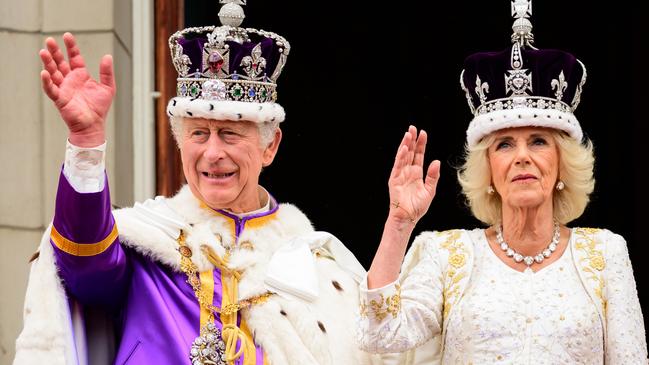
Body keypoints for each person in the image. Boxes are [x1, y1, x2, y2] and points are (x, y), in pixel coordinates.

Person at [14, 2, 378, 364]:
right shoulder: (148, 243)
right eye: (199, 133)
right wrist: (87, 141)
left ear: (270, 146)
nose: (212, 152)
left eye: (230, 134)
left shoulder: (313, 266)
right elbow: (84, 265)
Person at [356, 1, 648, 364]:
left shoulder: (605, 254)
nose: (522, 156)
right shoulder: (447, 255)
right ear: (489, 169)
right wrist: (399, 222)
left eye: (539, 141)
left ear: (561, 164)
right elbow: (379, 336)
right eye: (505, 144)